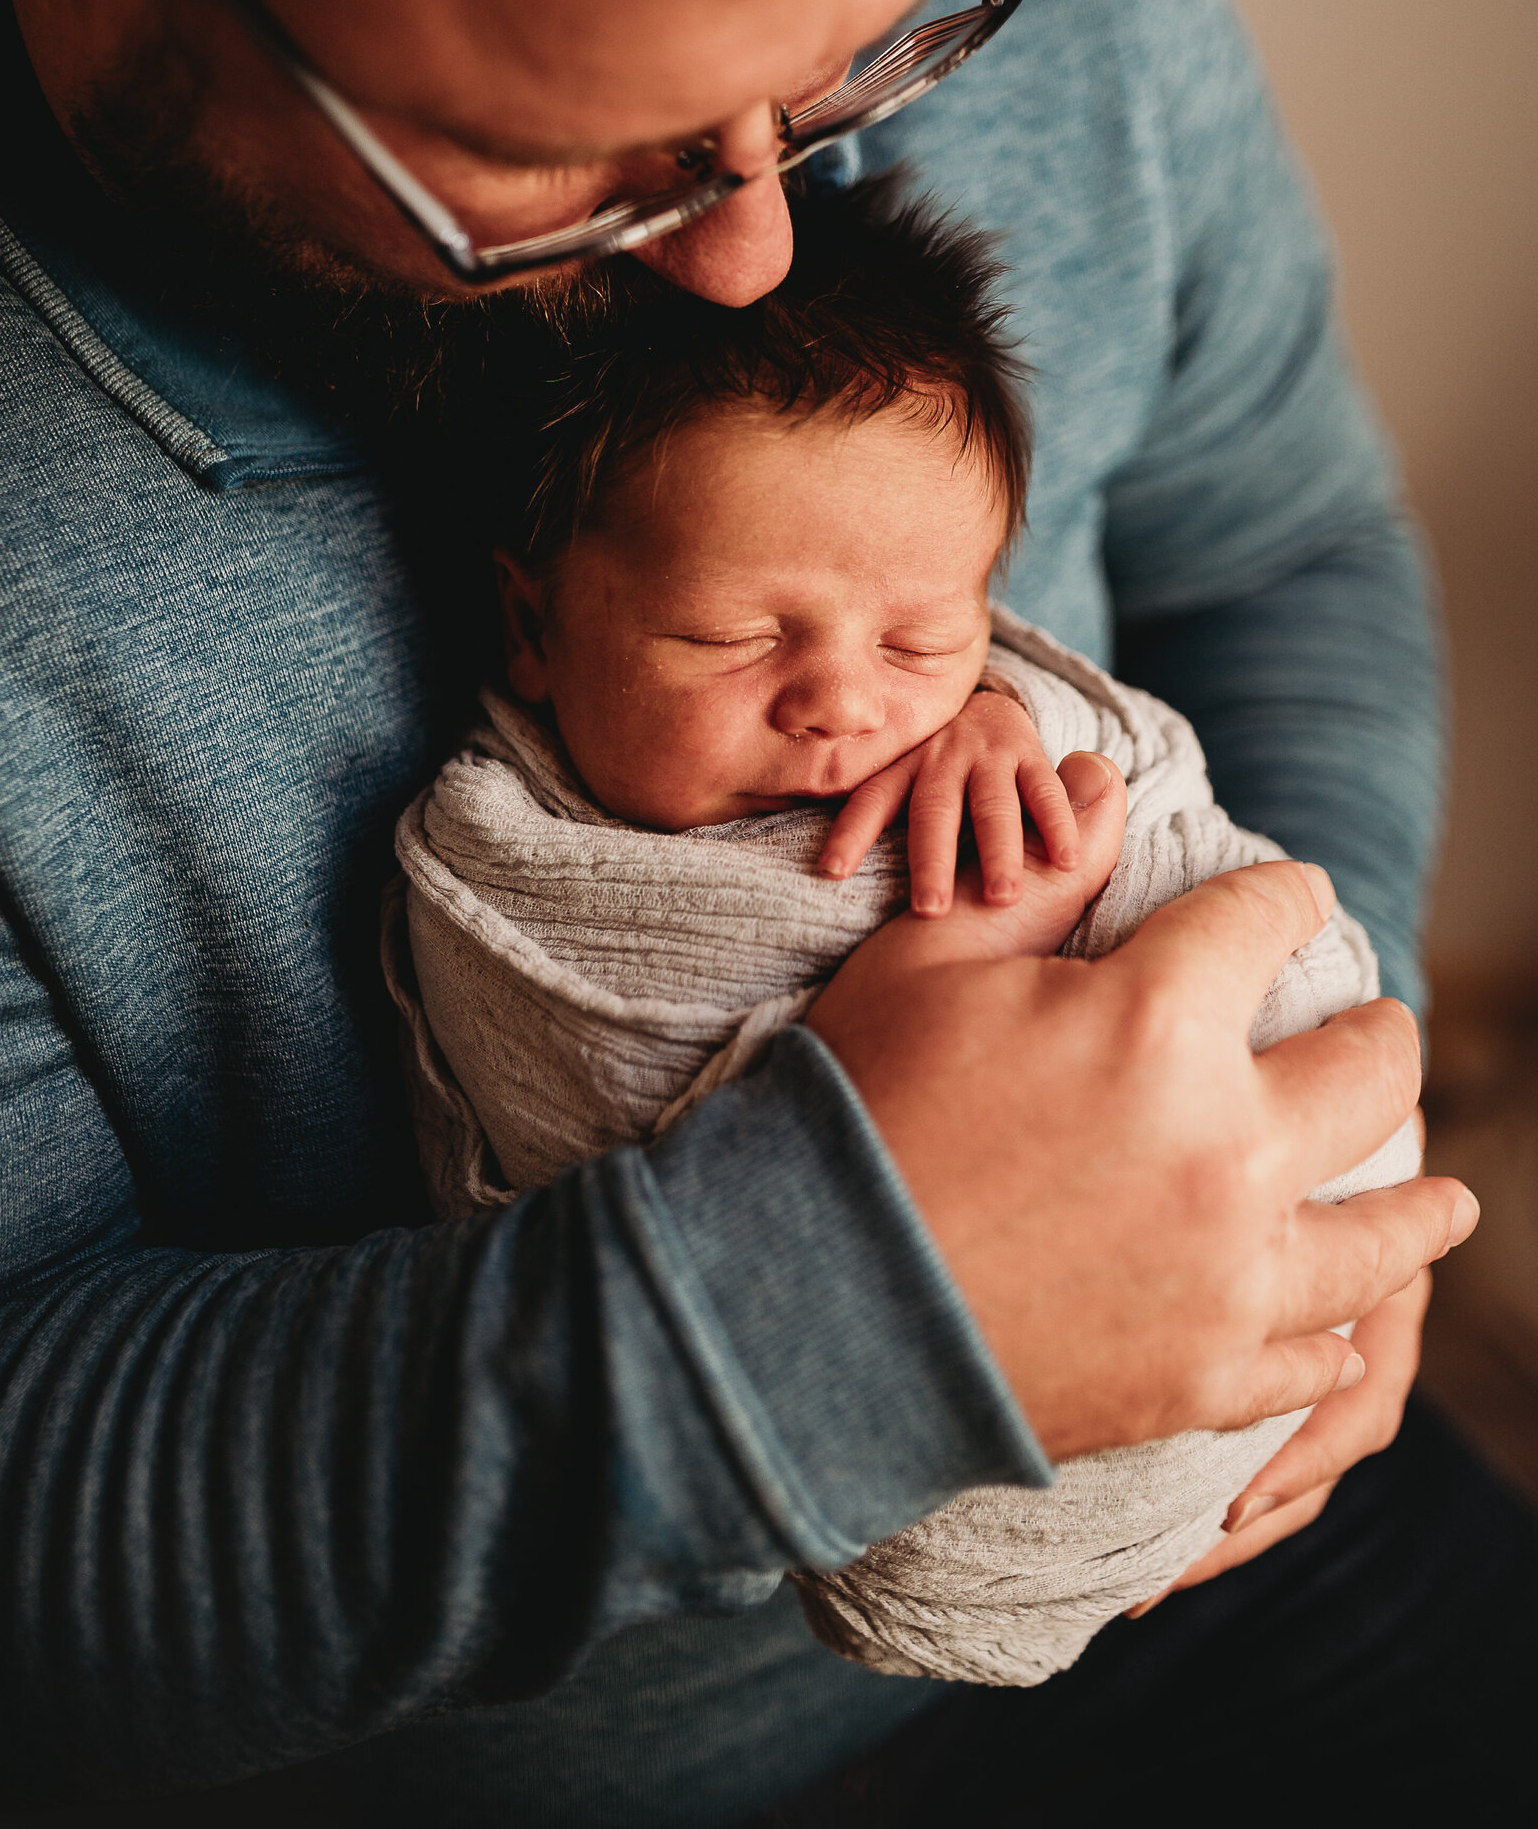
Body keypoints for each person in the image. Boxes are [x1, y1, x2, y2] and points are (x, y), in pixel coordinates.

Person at [0, 0, 1516, 1823]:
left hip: (1240, 1541)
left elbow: (1272, 538)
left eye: (865, 52)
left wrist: (1275, 1149)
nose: (769, 241)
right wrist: (854, 1313)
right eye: (551, 152)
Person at [389, 178, 1421, 1690]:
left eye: (921, 639)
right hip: (726, 1623)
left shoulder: (988, 703)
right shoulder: (512, 866)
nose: (845, 703)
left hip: (1318, 1369)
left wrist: (1016, 715)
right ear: (534, 625)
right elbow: (577, 1119)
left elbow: (1249, 629)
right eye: (733, 638)